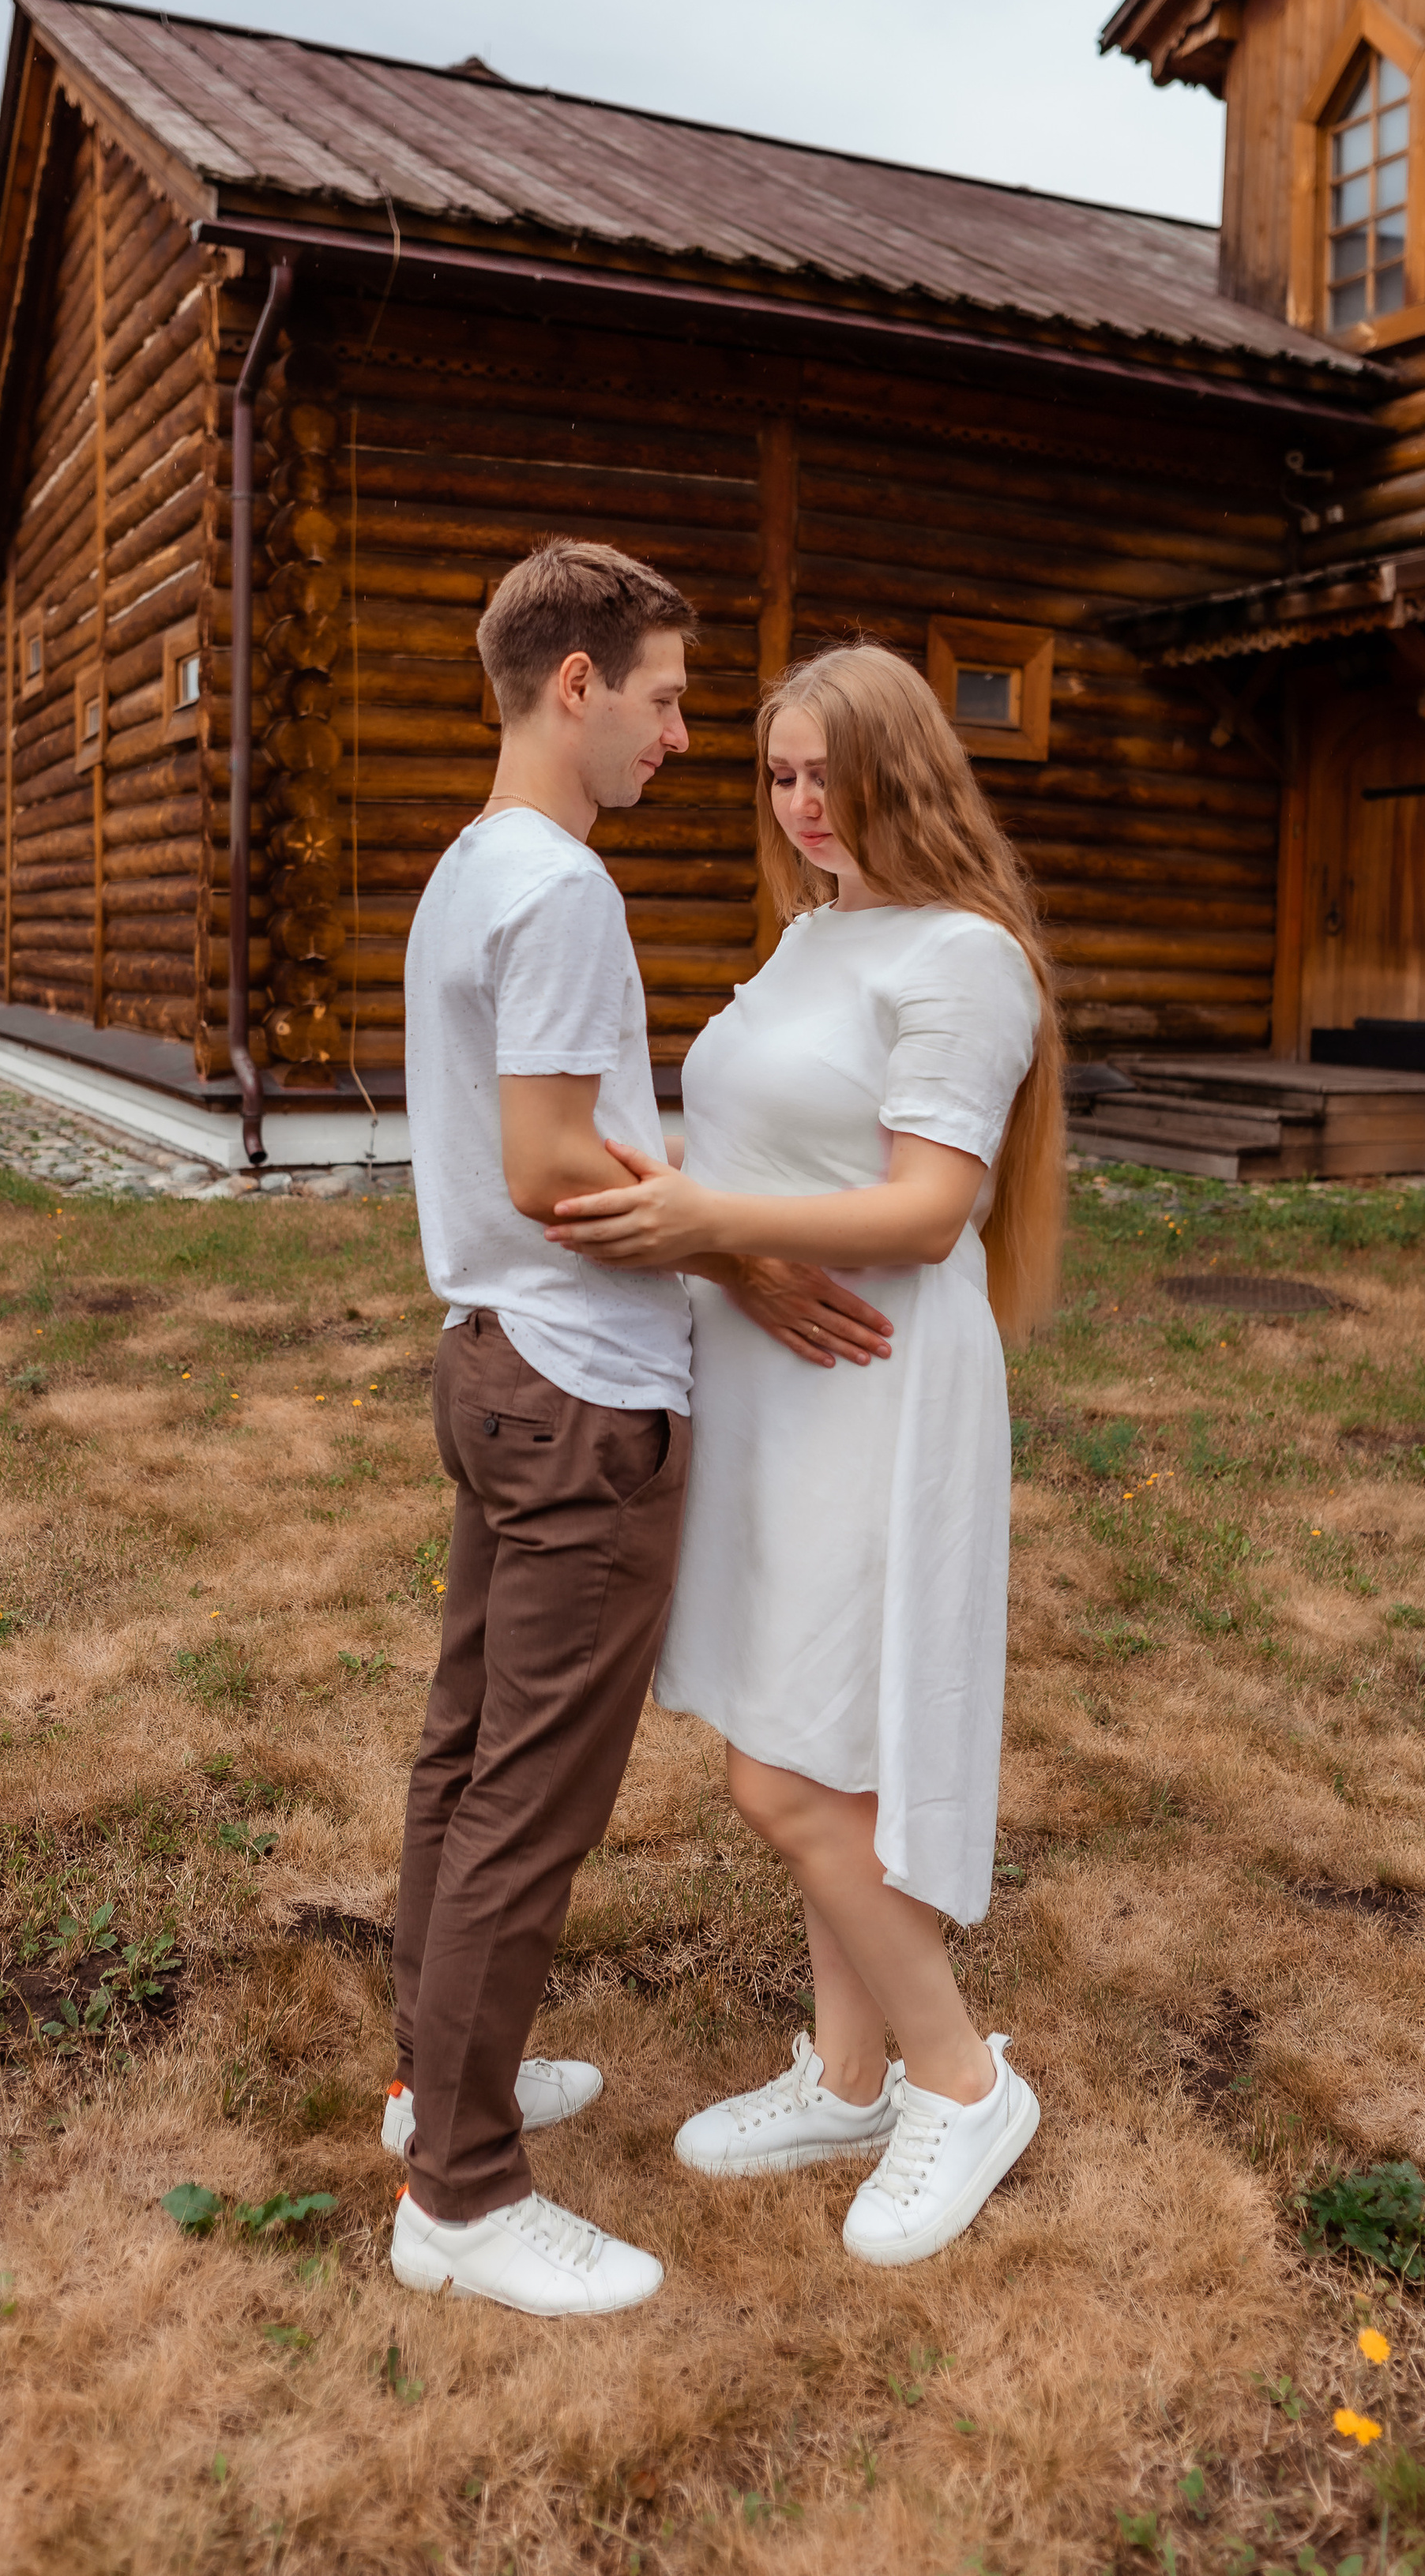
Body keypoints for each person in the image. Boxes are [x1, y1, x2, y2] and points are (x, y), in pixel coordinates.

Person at [388, 543, 893, 2319]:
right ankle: (459, 2194)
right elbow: (545, 1170)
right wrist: (740, 1252)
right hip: (579, 1393)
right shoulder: (561, 894)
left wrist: (706, 1230)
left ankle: (430, 2079)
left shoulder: (471, 868)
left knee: (463, 1755)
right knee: (530, 1795)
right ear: (577, 683)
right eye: (671, 700)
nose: (687, 737)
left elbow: (545, 1149)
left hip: (491, 1361)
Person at [547, 640, 1063, 2267]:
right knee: (809, 1746)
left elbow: (928, 1207)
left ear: (902, 771)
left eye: (826, 775)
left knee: (778, 1776)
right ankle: (846, 2078)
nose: (798, 803)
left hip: (880, 1383)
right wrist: (686, 1205)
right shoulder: (813, 936)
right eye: (775, 774)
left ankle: (960, 2081)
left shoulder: (965, 959)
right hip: (779, 1379)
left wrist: (708, 1219)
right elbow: (770, 1139)